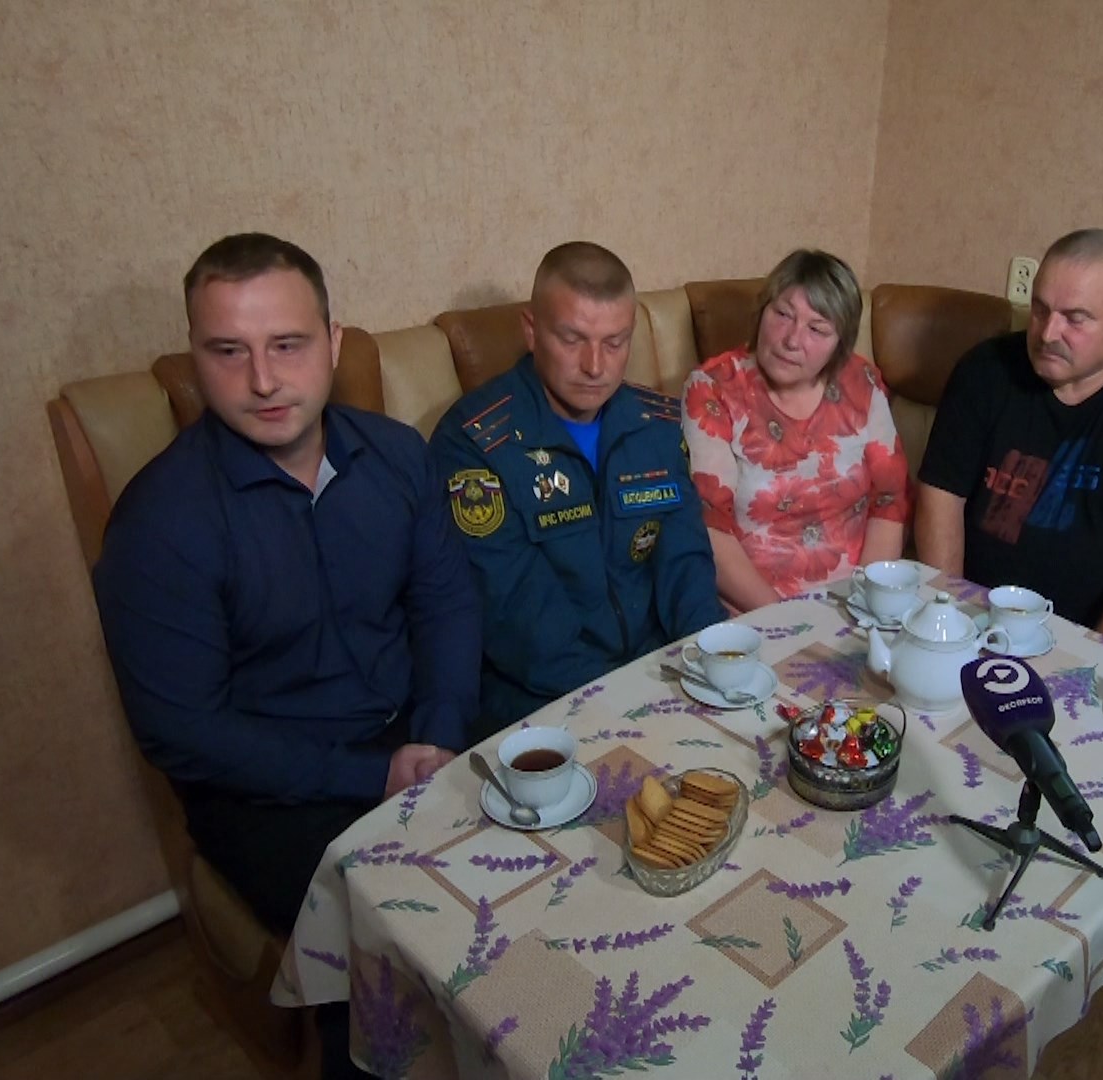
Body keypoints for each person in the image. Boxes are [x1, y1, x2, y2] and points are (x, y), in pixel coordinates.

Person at [94, 233, 481, 1078]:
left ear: (333, 343)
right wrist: (374, 776)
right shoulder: (160, 523)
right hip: (271, 790)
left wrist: (440, 731)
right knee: (397, 934)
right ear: (195, 357)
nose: (263, 380)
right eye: (228, 351)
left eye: (288, 345)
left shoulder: (396, 455)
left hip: (417, 728)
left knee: (546, 841)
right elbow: (182, 731)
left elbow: (446, 604)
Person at [431, 242, 723, 729]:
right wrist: (630, 708)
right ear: (531, 330)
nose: (595, 366)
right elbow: (518, 618)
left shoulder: (656, 424)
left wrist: (712, 667)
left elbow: (686, 566)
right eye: (572, 339)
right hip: (542, 701)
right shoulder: (475, 444)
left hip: (658, 675)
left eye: (615, 342)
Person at [915, 228, 1103, 645]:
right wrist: (951, 623)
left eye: (1075, 318)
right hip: (973, 619)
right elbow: (941, 496)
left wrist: (1090, 661)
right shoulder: (984, 371)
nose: (1048, 333)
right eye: (1040, 310)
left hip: (1085, 638)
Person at [682, 249, 909, 608]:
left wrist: (866, 605)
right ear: (762, 311)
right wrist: (787, 622)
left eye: (817, 329)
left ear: (840, 344)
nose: (791, 340)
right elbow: (709, 526)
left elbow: (888, 501)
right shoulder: (712, 389)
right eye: (783, 314)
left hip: (856, 601)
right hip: (753, 606)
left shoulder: (861, 381)